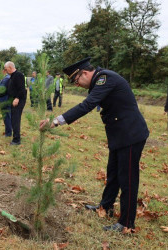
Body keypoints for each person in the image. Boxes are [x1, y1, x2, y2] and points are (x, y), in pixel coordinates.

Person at [40, 57, 149, 232]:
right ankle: (105, 207)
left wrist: (56, 121)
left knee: (127, 179)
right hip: (119, 134)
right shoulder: (100, 80)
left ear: (84, 73)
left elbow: (87, 105)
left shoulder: (104, 78)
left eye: (76, 80)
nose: (77, 85)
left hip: (130, 135)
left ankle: (127, 223)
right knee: (113, 173)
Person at [4, 61, 26, 145]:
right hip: (13, 100)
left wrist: (17, 98)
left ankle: (17, 140)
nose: (5, 71)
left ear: (10, 67)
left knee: (15, 120)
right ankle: (16, 136)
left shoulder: (18, 75)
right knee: (13, 119)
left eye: (6, 69)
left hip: (18, 101)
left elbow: (21, 89)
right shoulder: (12, 76)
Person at [0, 69, 12, 137]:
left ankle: (8, 133)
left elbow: (1, 89)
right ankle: (9, 131)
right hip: (6, 99)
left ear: (4, 71)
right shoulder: (8, 78)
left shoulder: (6, 79)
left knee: (6, 117)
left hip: (4, 100)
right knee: (8, 116)